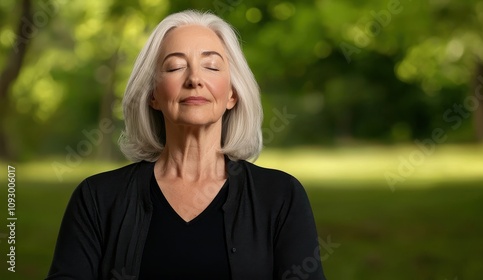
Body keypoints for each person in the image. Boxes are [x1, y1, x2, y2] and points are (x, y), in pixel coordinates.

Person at [47, 10, 326, 280]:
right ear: (153, 95)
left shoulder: (280, 197)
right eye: (175, 67)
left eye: (212, 66)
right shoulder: (96, 199)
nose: (194, 79)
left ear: (232, 94)